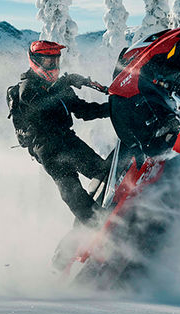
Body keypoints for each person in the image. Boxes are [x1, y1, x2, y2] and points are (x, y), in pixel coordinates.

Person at [7, 40, 110, 225]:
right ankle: (97, 227)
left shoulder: (58, 88)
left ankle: (116, 209)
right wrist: (65, 83)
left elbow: (83, 110)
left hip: (67, 139)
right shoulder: (27, 88)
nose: (53, 66)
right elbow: (42, 105)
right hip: (46, 147)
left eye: (56, 61)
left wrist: (111, 108)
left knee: (102, 171)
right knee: (71, 190)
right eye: (48, 62)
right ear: (35, 61)